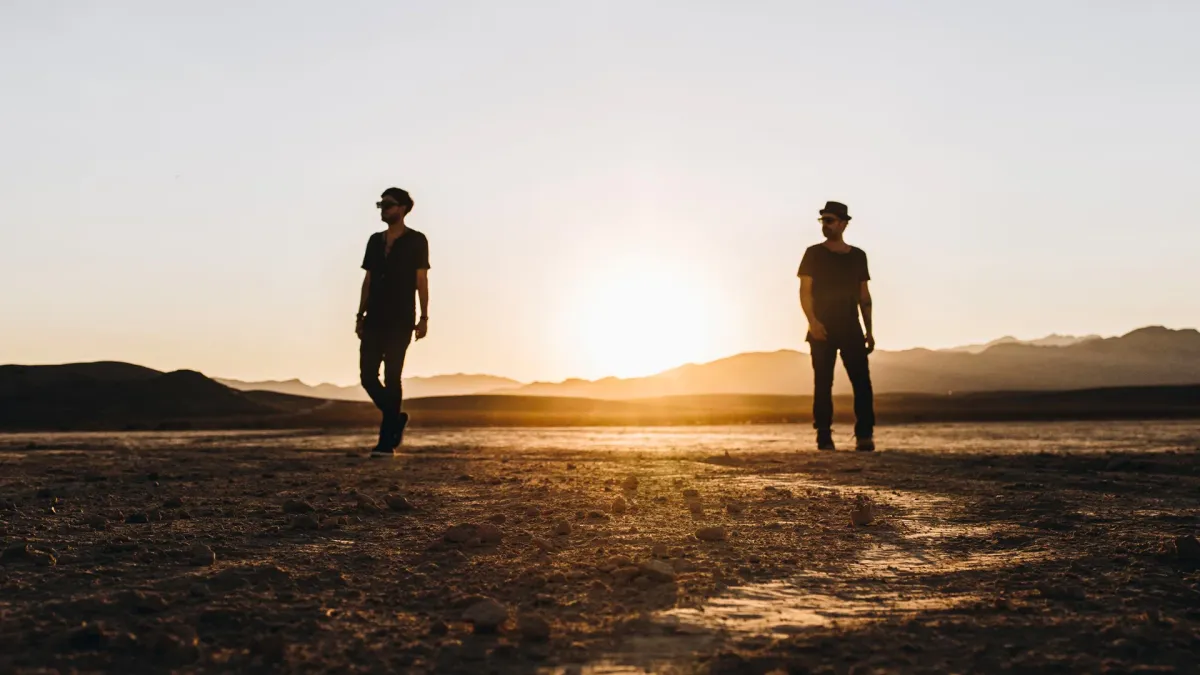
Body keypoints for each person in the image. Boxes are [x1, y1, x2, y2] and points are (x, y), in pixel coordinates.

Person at [356, 187, 430, 457]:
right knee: (367, 376)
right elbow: (368, 280)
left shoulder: (417, 240)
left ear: (403, 208)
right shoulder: (374, 241)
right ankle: (396, 419)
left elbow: (421, 280)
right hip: (374, 316)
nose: (383, 209)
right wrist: (359, 314)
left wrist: (423, 317)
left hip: (401, 318)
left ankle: (386, 442)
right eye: (381, 205)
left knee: (392, 376)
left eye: (388, 205)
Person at [797, 201, 875, 452]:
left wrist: (869, 330)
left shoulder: (858, 256)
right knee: (823, 382)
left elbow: (864, 295)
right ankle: (823, 435)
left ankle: (864, 435)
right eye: (823, 221)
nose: (825, 225)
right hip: (822, 327)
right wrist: (813, 322)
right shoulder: (813, 253)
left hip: (851, 326)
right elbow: (805, 292)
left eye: (830, 221)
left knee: (862, 382)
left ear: (843, 223)